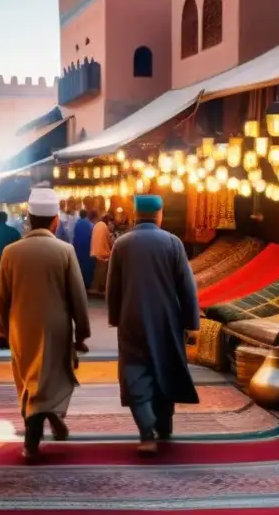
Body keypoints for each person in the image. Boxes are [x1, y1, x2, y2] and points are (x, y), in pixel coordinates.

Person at [0, 186, 92, 462]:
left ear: (29, 218)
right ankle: (33, 440)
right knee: (50, 381)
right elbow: (78, 296)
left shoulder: (11, 252)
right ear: (56, 221)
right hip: (57, 329)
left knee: (30, 382)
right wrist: (81, 332)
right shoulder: (65, 250)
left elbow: (1, 295)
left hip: (21, 329)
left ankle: (40, 432)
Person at [107, 195, 200, 455]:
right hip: (167, 320)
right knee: (165, 368)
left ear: (136, 214)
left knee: (135, 372)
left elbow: (113, 287)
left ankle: (146, 430)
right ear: (159, 214)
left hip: (132, 319)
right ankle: (164, 426)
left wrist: (116, 317)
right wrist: (192, 323)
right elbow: (186, 287)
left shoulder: (122, 244)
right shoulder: (173, 243)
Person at [89, 212, 114, 295]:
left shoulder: (97, 225)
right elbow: (111, 243)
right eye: (111, 222)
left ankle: (95, 288)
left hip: (94, 251)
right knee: (104, 271)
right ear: (108, 221)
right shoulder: (104, 227)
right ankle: (103, 288)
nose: (112, 225)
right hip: (103, 253)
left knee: (98, 271)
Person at [71, 208, 95, 290]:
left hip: (78, 248)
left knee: (79, 266)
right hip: (88, 248)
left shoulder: (76, 223)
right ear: (86, 215)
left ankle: (80, 284)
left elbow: (73, 236)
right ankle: (87, 284)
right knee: (87, 266)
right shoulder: (90, 224)